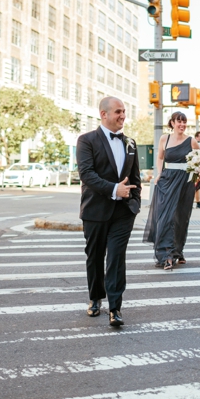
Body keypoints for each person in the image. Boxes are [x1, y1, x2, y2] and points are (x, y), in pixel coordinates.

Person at [76, 96, 142, 328]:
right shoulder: (86, 141)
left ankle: (115, 308)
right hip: (95, 210)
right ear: (104, 114)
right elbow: (87, 174)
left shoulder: (131, 143)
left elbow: (136, 178)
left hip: (123, 213)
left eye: (124, 111)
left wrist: (135, 203)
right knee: (95, 257)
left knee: (116, 258)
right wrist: (115, 189)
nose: (122, 115)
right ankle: (95, 298)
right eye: (118, 111)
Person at [144, 112, 200, 270]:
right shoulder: (164, 139)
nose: (182, 125)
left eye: (184, 122)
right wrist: (159, 174)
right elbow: (161, 157)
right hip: (168, 180)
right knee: (165, 217)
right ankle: (165, 255)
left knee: (181, 218)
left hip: (184, 182)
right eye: (179, 121)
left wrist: (195, 177)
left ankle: (177, 251)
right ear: (172, 123)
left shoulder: (192, 141)